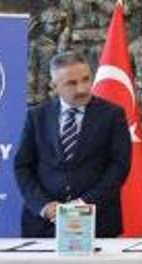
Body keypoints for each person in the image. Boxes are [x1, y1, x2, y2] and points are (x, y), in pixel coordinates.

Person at [13, 51, 131, 238]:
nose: (82, 89)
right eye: (71, 83)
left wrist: (84, 205)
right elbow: (22, 166)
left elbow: (119, 166)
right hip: (44, 226)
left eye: (86, 79)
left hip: (98, 222)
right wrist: (44, 205)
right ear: (54, 86)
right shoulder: (37, 116)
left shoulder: (112, 115)